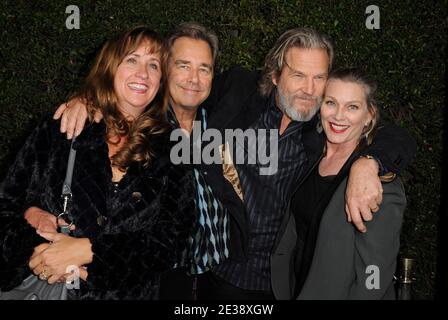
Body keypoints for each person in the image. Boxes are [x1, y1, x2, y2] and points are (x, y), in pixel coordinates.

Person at [53, 27, 416, 300]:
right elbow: (159, 80)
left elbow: (393, 135)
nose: (309, 88)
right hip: (217, 273)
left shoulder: (325, 131)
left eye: (319, 77)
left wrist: (369, 161)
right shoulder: (238, 93)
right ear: (275, 74)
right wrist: (90, 99)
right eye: (297, 75)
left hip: (280, 283)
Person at [0, 26, 196, 300]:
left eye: (154, 65)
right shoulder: (62, 129)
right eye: (132, 60)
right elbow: (6, 207)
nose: (144, 73)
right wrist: (40, 249)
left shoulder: (172, 146)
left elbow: (174, 239)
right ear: (109, 67)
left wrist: (91, 253)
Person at [284, 67, 405, 299]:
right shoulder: (309, 154)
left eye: (352, 107)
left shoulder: (376, 184)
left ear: (369, 115)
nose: (338, 116)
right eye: (331, 102)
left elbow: (374, 275)